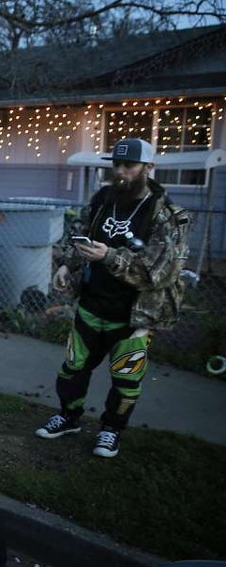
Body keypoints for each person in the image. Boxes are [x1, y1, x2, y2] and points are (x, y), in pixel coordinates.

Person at [35, 138, 190, 458]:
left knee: (125, 380)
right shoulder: (103, 199)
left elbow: (161, 271)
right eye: (116, 165)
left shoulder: (166, 214)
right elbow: (79, 234)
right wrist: (68, 264)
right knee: (72, 369)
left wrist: (108, 256)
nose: (120, 171)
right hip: (91, 307)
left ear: (148, 168)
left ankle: (111, 430)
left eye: (129, 166)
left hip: (133, 317)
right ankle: (69, 417)